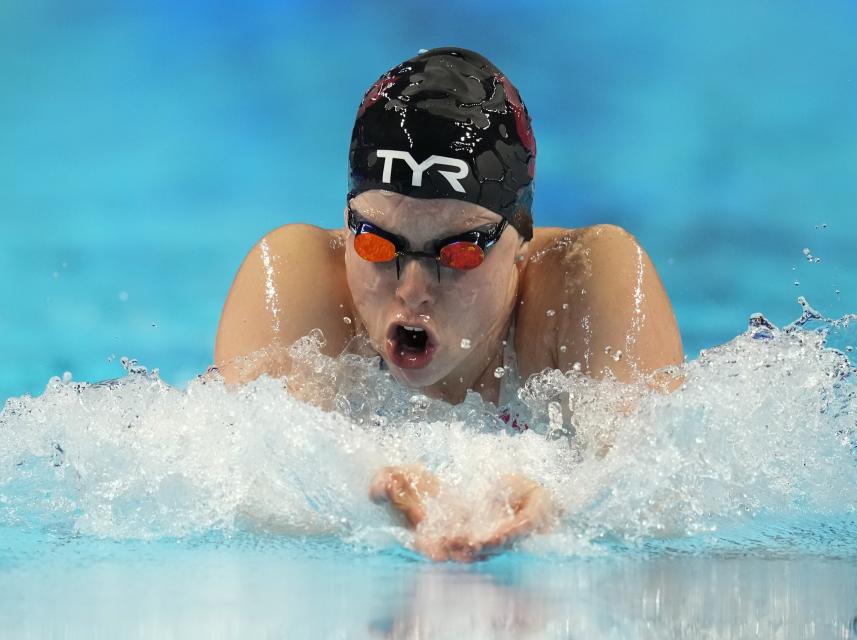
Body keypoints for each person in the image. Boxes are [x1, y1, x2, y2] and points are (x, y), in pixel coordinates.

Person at [214, 47, 683, 560]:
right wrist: (366, 485)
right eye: (376, 243)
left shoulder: (589, 281)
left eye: (458, 253)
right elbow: (255, 476)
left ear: (521, 239)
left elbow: (660, 486)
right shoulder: (294, 277)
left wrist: (567, 505)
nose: (413, 288)